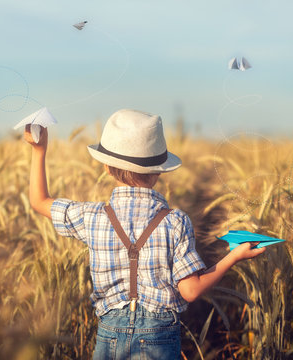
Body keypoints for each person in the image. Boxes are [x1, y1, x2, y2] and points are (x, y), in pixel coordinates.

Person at [25, 109, 265, 359]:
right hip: (159, 338)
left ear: (106, 167)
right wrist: (234, 256)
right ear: (159, 171)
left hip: (109, 337)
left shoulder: (92, 216)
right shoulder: (175, 221)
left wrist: (38, 150)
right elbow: (191, 291)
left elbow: (39, 200)